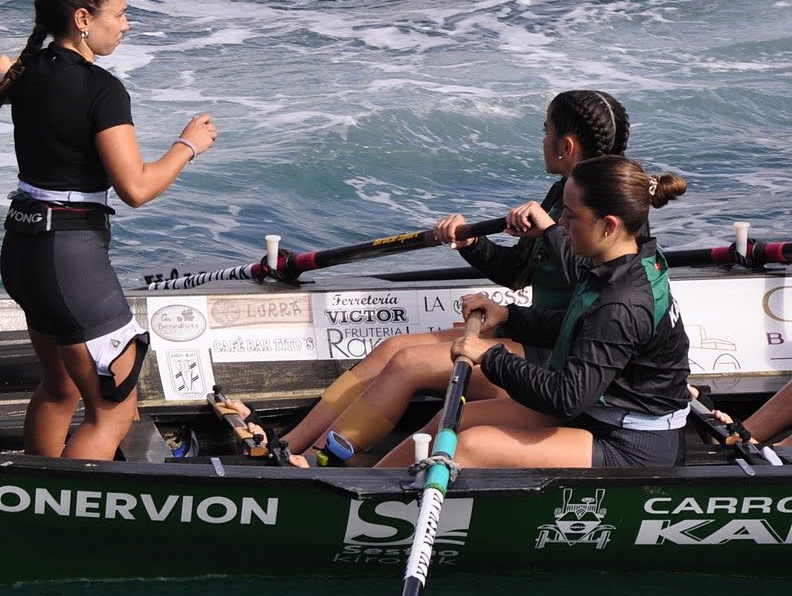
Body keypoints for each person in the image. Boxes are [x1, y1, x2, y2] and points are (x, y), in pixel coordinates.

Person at [282, 90, 631, 464]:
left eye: (544, 131)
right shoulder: (562, 193)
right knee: (392, 349)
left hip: (560, 359)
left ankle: (321, 460)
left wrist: (550, 231)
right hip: (537, 335)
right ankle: (289, 446)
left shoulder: (616, 210)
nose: (541, 140)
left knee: (408, 364)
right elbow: (517, 273)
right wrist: (471, 241)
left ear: (565, 146)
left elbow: (593, 282)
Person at [0, 0, 216, 460]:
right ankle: (60, 523)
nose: (127, 25)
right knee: (113, 411)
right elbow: (135, 188)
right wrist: (187, 146)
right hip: (70, 259)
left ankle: (34, 500)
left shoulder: (27, 73)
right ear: (83, 19)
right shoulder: (103, 91)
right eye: (120, 14)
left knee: (60, 389)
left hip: (22, 251)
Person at [374, 154, 691, 469]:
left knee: (468, 447)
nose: (562, 224)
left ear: (608, 225)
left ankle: (376, 506)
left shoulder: (622, 301)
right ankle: (371, 485)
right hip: (597, 408)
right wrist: (509, 316)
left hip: (633, 444)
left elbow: (567, 397)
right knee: (455, 418)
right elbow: (583, 325)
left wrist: (490, 355)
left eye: (570, 215)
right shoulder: (630, 257)